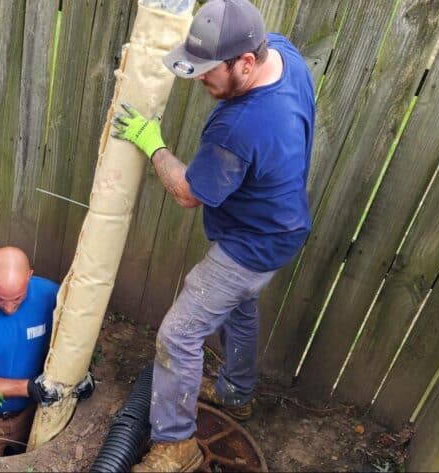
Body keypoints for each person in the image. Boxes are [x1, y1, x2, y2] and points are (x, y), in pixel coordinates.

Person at [112, 0, 315, 470]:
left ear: (245, 63)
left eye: (208, 72)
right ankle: (238, 394)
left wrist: (152, 144)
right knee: (239, 309)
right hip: (282, 227)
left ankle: (177, 445)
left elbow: (187, 193)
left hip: (251, 245)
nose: (200, 80)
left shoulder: (239, 126)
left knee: (178, 336)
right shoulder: (284, 55)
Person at [0, 246, 94, 456]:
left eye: (17, 298)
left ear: (30, 276)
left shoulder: (50, 295)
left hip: (33, 413)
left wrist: (81, 374)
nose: (9, 308)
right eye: (0, 299)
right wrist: (27, 387)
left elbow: (73, 337)